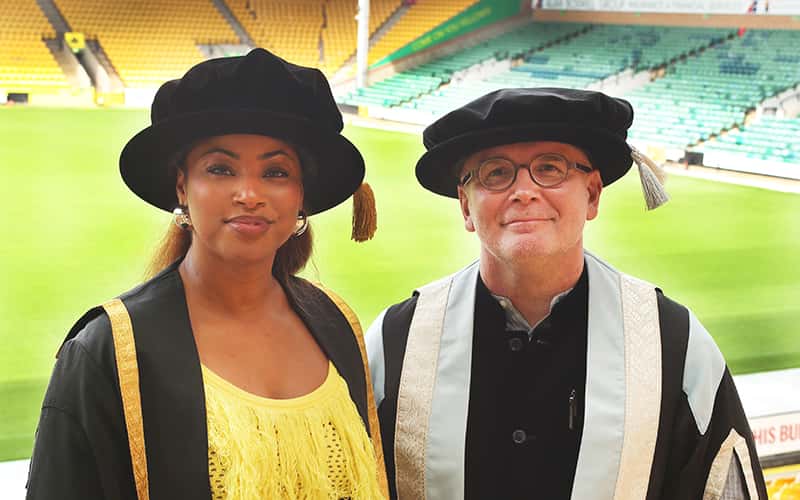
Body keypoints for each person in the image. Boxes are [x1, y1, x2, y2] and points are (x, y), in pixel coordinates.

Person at [365, 88, 767, 500]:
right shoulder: (397, 344)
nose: (524, 191)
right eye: (496, 173)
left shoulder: (674, 348)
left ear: (592, 194)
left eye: (550, 168)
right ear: (465, 206)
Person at [26, 48, 387, 499]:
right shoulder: (107, 351)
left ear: (301, 195)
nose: (249, 194)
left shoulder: (337, 323)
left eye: (276, 171)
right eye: (220, 169)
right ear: (183, 186)